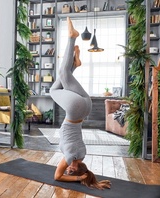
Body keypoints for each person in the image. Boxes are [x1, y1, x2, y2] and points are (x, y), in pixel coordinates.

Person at [50, 17, 111, 189]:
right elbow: (57, 177)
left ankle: (75, 65)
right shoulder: (70, 157)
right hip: (74, 110)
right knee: (62, 73)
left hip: (85, 107)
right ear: (78, 168)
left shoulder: (82, 155)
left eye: (68, 170)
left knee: (57, 85)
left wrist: (83, 175)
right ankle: (72, 36)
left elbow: (69, 171)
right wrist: (78, 179)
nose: (68, 169)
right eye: (72, 170)